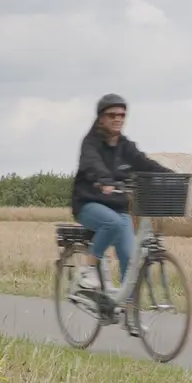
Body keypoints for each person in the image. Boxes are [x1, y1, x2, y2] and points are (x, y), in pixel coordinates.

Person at [71, 93, 169, 292]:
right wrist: (104, 180)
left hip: (118, 206)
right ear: (101, 118)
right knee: (112, 223)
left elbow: (145, 163)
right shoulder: (90, 143)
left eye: (122, 115)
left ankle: (128, 311)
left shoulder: (126, 146)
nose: (118, 118)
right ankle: (88, 269)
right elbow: (92, 164)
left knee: (130, 258)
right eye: (112, 114)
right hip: (89, 204)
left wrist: (170, 176)